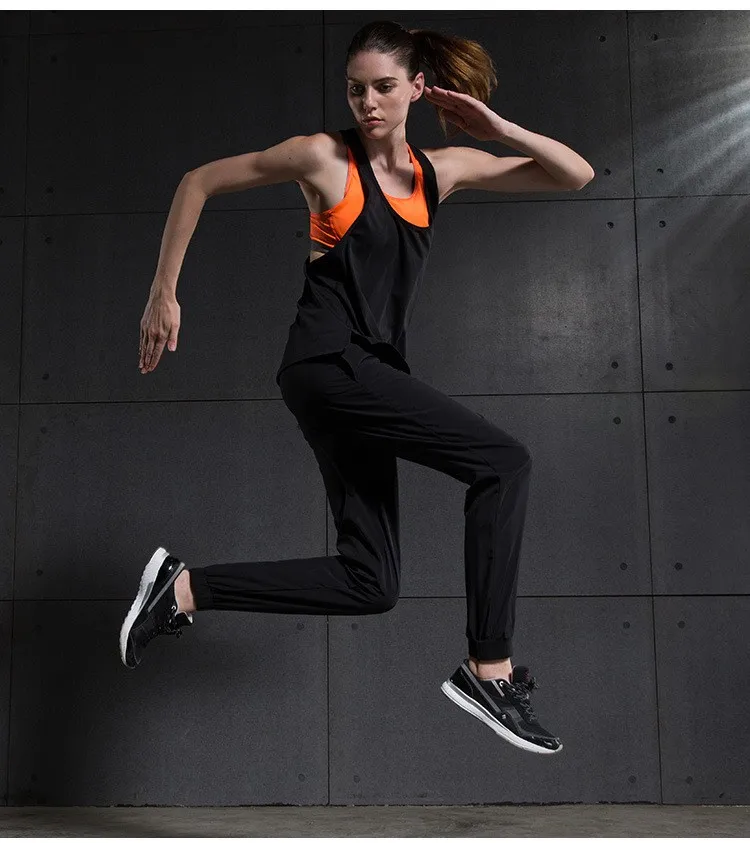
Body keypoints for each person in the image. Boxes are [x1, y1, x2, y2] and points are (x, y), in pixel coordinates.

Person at [122, 20, 594, 755]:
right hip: (330, 362)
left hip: (365, 377)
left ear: (417, 88)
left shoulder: (442, 171)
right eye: (355, 89)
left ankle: (185, 589)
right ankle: (489, 670)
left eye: (383, 87)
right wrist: (164, 292)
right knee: (503, 463)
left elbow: (575, 175)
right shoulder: (324, 157)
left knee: (371, 582)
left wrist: (499, 128)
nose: (368, 102)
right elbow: (199, 181)